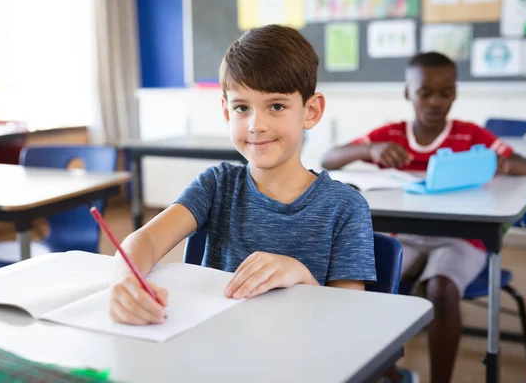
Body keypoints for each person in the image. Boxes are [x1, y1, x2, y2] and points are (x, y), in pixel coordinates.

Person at [109, 24, 376, 328]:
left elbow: (349, 320)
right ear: (226, 112)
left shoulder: (345, 207)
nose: (256, 124)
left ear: (311, 111)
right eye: (242, 108)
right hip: (220, 348)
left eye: (276, 106)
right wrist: (125, 282)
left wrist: (300, 275)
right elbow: (142, 241)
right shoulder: (216, 185)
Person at [321, 52, 526, 383]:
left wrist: (500, 164)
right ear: (409, 93)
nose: (435, 102)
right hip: (405, 236)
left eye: (445, 93)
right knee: (365, 287)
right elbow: (330, 157)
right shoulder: (391, 135)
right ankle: (389, 373)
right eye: (425, 93)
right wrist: (370, 150)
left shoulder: (470, 136)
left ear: (455, 93)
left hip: (460, 238)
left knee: (441, 290)